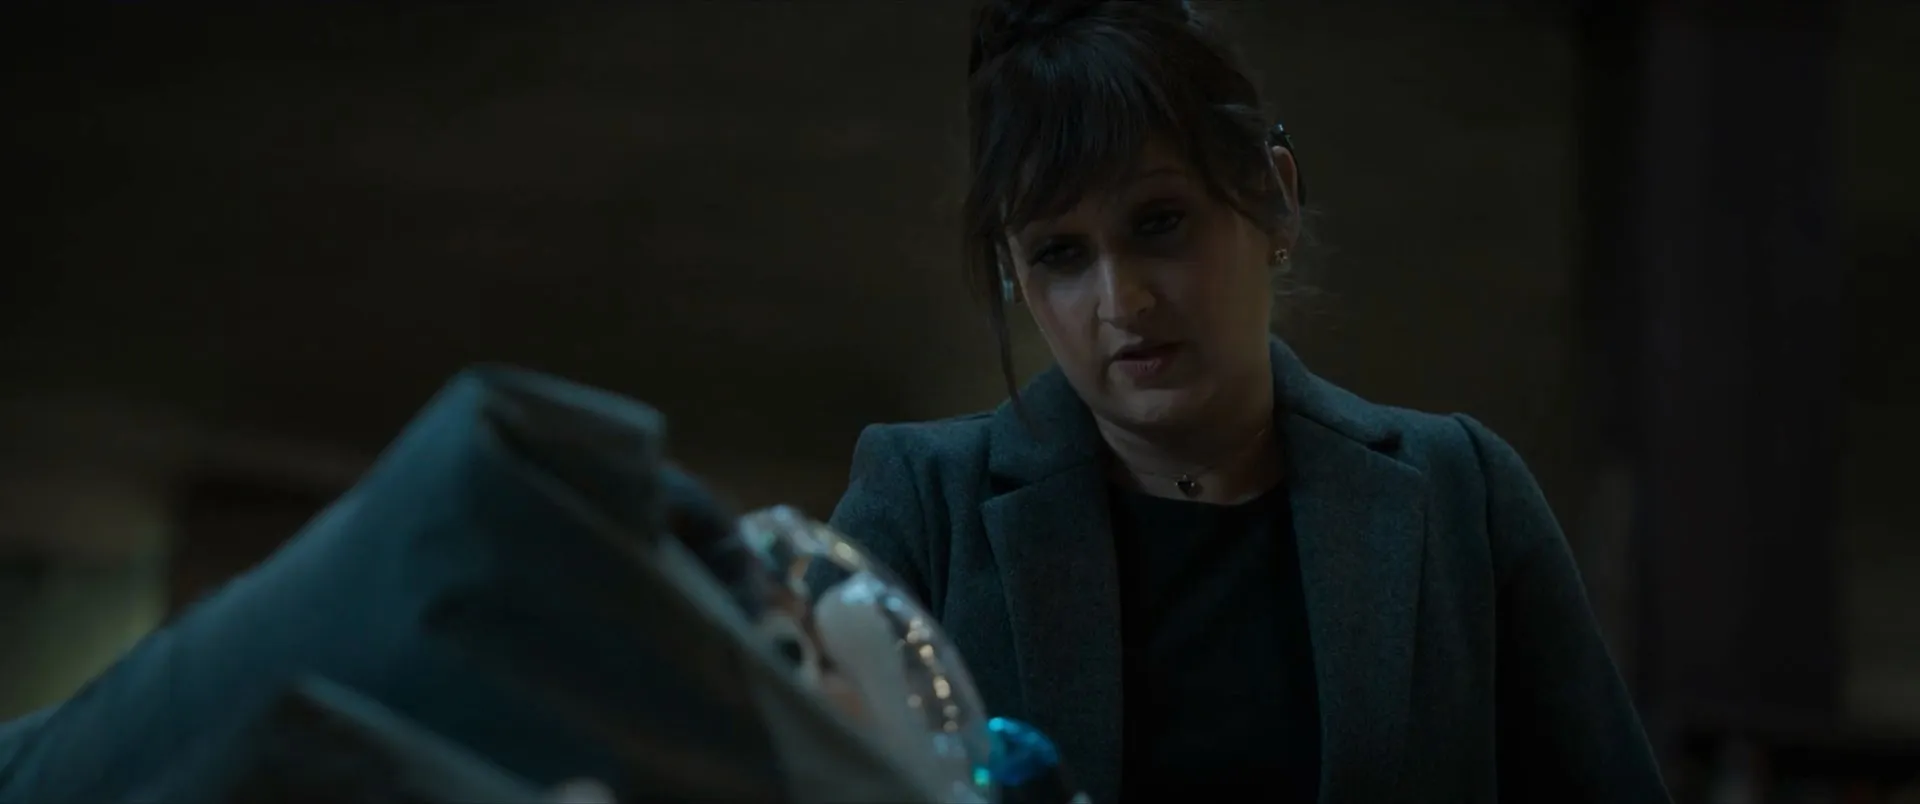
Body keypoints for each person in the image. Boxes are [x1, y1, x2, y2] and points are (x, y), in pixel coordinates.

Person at [826, 1, 1671, 802]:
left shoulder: (1462, 500)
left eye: (1159, 222)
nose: (1122, 301)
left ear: (1274, 197)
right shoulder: (925, 511)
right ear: (1013, 270)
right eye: (1061, 253)